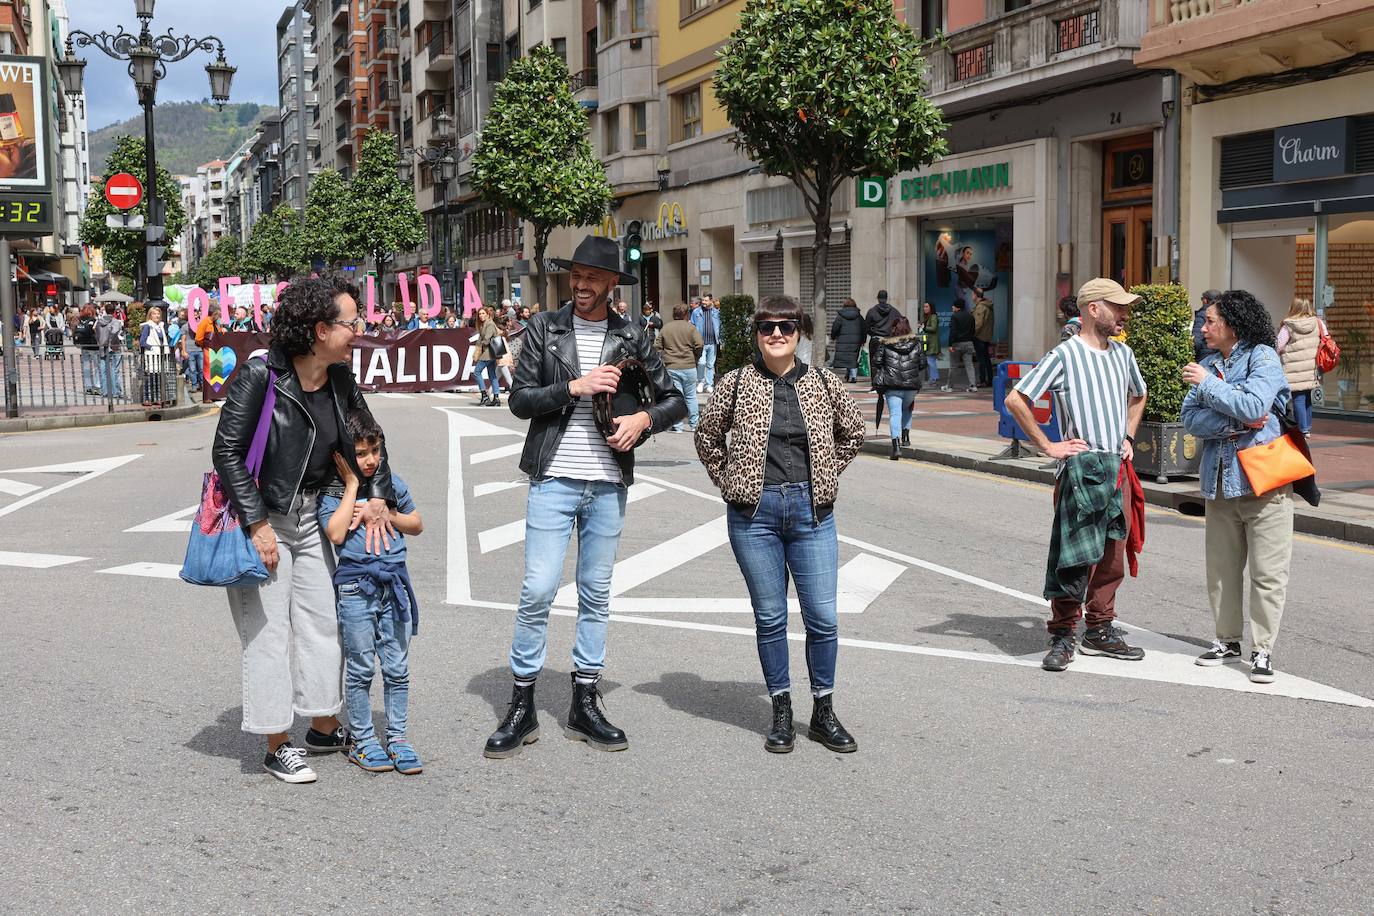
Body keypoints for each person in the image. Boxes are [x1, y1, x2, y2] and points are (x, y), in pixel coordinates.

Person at [484, 235, 686, 759]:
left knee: (596, 593)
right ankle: (522, 702)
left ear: (613, 283)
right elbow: (520, 401)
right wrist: (575, 388)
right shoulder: (544, 328)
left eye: (593, 277)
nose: (582, 285)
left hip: (607, 483)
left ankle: (584, 701)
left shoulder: (633, 335)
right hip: (553, 477)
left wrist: (644, 419)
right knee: (537, 590)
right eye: (576, 275)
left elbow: (675, 401)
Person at [212, 276, 397, 784]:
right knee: (270, 633)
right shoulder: (261, 376)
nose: (360, 328)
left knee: (323, 623)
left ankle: (321, 724)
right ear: (320, 329)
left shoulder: (339, 379)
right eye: (351, 321)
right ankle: (276, 742)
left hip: (317, 518)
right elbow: (226, 451)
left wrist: (377, 493)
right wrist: (255, 524)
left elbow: (368, 441)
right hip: (267, 518)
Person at [694, 295, 866, 754]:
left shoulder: (825, 383)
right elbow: (707, 436)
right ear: (756, 334)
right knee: (770, 618)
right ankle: (781, 710)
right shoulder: (735, 383)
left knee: (823, 619)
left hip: (813, 513)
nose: (776, 334)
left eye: (786, 327)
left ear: (800, 332)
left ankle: (824, 710)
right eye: (767, 327)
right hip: (755, 516)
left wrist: (826, 473)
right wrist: (731, 479)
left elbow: (854, 432)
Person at [1006, 278, 1148, 673]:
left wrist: (1129, 436)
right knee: (1072, 558)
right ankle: (1065, 632)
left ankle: (1099, 628)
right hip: (1081, 469)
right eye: (1117, 307)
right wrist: (1049, 446)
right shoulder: (1064, 355)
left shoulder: (1123, 354)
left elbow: (1139, 395)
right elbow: (1016, 399)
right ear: (1093, 309)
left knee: (1112, 553)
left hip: (1115, 466)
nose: (1124, 314)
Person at [1181, 289, 1294, 684]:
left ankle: (1262, 650)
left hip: (1264, 482)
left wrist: (1212, 388)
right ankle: (1227, 641)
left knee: (1268, 573)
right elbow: (1191, 420)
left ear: (1232, 324)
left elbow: (1256, 407)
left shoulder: (1262, 357)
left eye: (1210, 320)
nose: (1204, 326)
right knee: (1222, 571)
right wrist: (1238, 422)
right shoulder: (1208, 362)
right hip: (1220, 483)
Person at [320, 409, 425, 774]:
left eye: (375, 451)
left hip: (394, 584)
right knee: (361, 667)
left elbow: (416, 523)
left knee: (397, 668)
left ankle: (397, 738)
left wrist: (383, 514)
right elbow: (335, 533)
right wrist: (352, 492)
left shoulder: (390, 485)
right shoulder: (334, 490)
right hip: (355, 588)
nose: (369, 460)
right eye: (361, 453)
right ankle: (363, 740)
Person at [872, 316, 922, 460]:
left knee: (895, 413)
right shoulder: (916, 344)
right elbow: (922, 363)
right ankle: (905, 437)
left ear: (893, 328)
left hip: (892, 384)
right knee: (907, 408)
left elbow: (877, 361)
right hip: (911, 385)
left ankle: (896, 447)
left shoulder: (885, 344)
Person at [1276, 296, 1324, 436]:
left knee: (1298, 397)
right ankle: (1307, 426)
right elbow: (1325, 337)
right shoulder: (1317, 322)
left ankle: (1302, 429)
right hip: (1312, 365)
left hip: (1293, 368)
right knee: (1307, 396)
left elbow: (1278, 345)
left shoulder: (1289, 325)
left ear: (1293, 308)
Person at [656, 303, 704, 432]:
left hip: (672, 366)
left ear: (674, 314)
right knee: (691, 396)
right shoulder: (691, 328)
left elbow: (657, 346)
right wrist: (695, 357)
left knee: (676, 397)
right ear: (686, 314)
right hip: (689, 365)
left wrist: (665, 355)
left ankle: (678, 426)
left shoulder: (666, 328)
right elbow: (699, 344)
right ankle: (694, 424)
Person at [864, 290, 902, 381]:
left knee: (874, 363)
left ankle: (875, 384)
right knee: (889, 362)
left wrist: (873, 333)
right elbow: (901, 325)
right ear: (886, 298)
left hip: (876, 340)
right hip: (889, 340)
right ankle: (888, 382)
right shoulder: (895, 311)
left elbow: (867, 327)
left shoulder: (872, 311)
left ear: (877, 298)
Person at [941, 299, 978, 392]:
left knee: (953, 366)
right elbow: (973, 331)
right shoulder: (970, 316)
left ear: (956, 307)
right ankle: (973, 386)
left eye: (953, 306)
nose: (952, 307)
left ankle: (949, 386)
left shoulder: (954, 316)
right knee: (969, 365)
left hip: (957, 344)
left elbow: (953, 332)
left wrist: (950, 344)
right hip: (969, 343)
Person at [138, 306, 172, 406]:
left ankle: (157, 398)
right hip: (152, 355)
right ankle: (147, 399)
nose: (157, 316)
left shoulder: (161, 326)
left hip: (160, 356)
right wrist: (151, 348)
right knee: (150, 379)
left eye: (158, 314)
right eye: (154, 314)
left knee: (158, 379)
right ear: (150, 315)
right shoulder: (148, 326)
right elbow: (142, 342)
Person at [472, 305, 503, 407]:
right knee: (492, 375)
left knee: (477, 372)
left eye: (483, 313)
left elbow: (486, 340)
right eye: (479, 314)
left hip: (488, 353)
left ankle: (484, 395)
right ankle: (496, 398)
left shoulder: (489, 324)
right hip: (492, 353)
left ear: (487, 314)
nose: (481, 316)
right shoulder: (484, 324)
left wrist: (480, 346)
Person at [829, 297, 865, 384]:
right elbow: (864, 329)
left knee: (847, 357)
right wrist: (863, 340)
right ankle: (853, 376)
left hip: (843, 340)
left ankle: (848, 375)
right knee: (853, 357)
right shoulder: (859, 317)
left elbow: (835, 327)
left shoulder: (840, 316)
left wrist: (833, 336)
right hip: (856, 341)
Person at [690, 296, 721, 392]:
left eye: (705, 300)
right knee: (701, 363)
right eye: (702, 300)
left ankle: (709, 384)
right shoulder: (696, 312)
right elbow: (692, 326)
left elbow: (720, 326)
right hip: (701, 342)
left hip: (712, 342)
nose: (703, 302)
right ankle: (700, 382)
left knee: (710, 365)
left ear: (711, 301)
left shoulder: (716, 312)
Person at [96, 303, 125, 399]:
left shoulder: (99, 322)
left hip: (102, 347)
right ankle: (116, 391)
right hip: (113, 347)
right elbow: (115, 333)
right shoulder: (115, 322)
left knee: (103, 370)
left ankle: (105, 391)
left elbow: (97, 334)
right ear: (113, 312)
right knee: (114, 369)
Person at [73, 305, 101, 395]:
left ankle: (88, 387)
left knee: (86, 367)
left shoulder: (79, 321)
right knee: (97, 367)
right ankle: (97, 385)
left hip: (84, 346)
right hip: (94, 346)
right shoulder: (94, 320)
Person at [1192, 288, 1221, 361]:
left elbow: (1196, 341)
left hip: (1204, 357)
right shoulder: (1222, 314)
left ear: (1205, 300)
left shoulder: (1202, 315)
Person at [972, 294, 995, 386]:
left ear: (975, 295)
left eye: (973, 294)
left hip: (980, 337)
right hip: (986, 336)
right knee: (986, 359)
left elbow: (978, 324)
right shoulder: (988, 306)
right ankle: (989, 380)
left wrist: (973, 334)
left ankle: (983, 381)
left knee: (981, 360)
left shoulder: (981, 307)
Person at [920, 302, 940, 384]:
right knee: (929, 361)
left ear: (931, 307)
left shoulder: (933, 316)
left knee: (931, 361)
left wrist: (924, 327)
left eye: (927, 306)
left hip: (932, 343)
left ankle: (933, 379)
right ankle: (933, 378)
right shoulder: (928, 317)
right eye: (924, 306)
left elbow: (933, 328)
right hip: (928, 343)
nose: (925, 308)